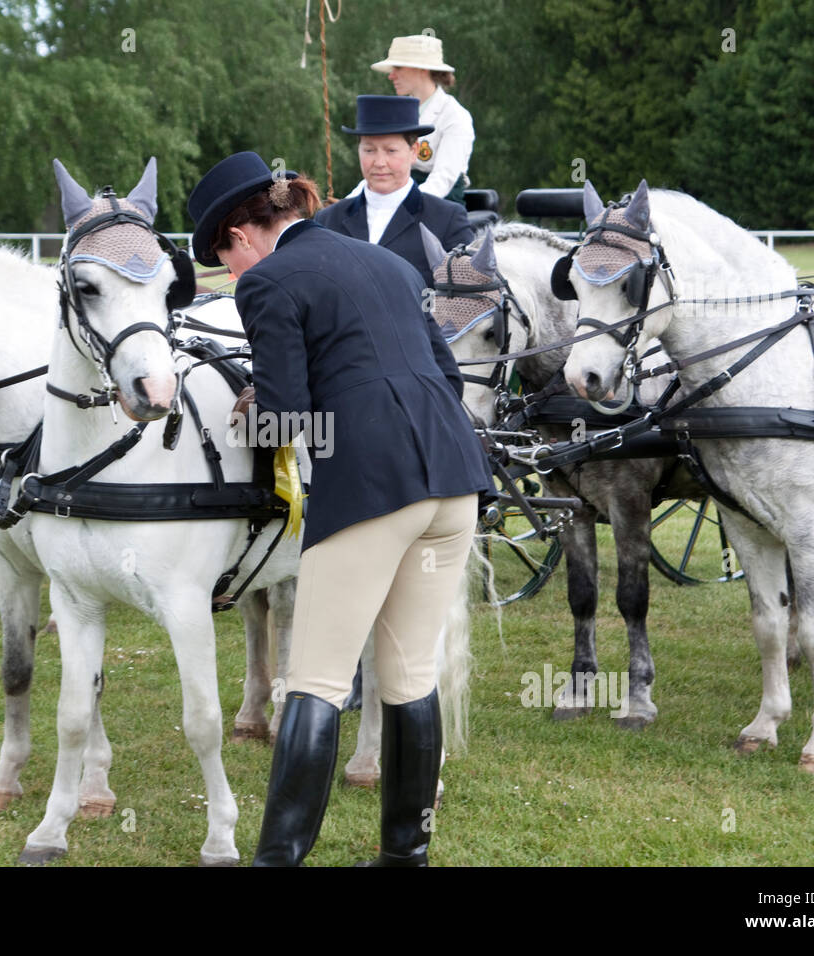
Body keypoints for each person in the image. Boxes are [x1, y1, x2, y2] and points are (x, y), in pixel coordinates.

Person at [188, 152, 492, 866]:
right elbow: (446, 377)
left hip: (371, 490)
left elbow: (288, 418)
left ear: (241, 234)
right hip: (452, 481)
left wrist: (253, 409)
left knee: (315, 682)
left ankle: (276, 860)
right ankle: (404, 856)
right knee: (411, 675)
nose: (231, 275)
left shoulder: (266, 281)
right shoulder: (388, 264)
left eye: (223, 259)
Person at [315, 95, 472, 287]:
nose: (380, 163)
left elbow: (466, 300)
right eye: (369, 151)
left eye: (391, 151)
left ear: (413, 151)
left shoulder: (447, 220)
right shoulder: (328, 221)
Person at [371, 34, 473, 204]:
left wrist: (400, 204)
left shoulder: (455, 116)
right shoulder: (399, 112)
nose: (391, 76)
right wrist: (350, 202)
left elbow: (443, 179)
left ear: (422, 69)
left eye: (398, 68)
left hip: (440, 206)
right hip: (399, 197)